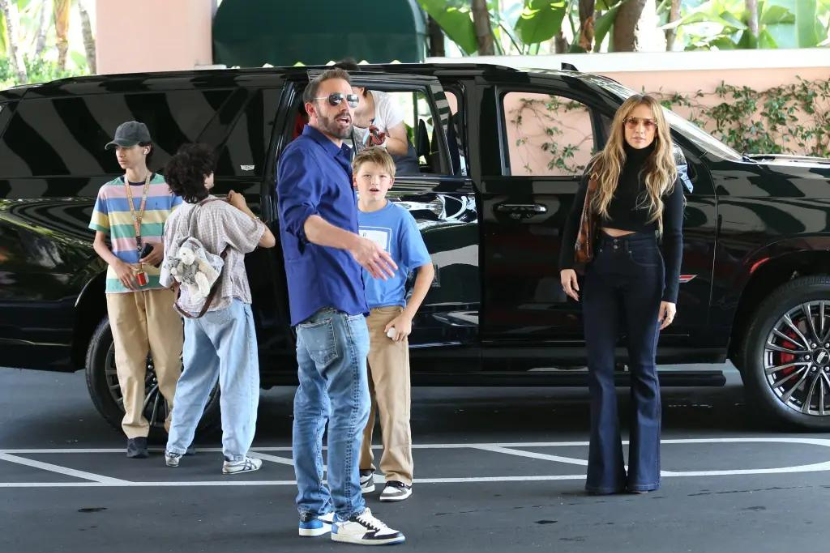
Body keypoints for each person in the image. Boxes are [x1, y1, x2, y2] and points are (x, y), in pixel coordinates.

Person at [277, 68, 406, 546]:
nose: (344, 107)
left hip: (324, 301)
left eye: (350, 99)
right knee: (351, 406)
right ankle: (350, 513)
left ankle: (314, 512)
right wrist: (356, 243)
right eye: (333, 100)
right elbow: (299, 219)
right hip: (330, 301)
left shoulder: (335, 154)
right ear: (311, 108)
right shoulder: (304, 154)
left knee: (313, 407)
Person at [559, 94, 684, 495]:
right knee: (599, 371)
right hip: (600, 267)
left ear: (657, 129)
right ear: (621, 125)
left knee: (643, 369)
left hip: (645, 266)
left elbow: (675, 237)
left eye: (647, 123)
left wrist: (670, 294)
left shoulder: (666, 173)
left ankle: (643, 475)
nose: (639, 129)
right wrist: (566, 264)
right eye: (632, 122)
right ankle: (604, 477)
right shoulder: (601, 165)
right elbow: (576, 216)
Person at [159, 144, 276, 474]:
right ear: (205, 178)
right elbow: (266, 240)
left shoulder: (175, 217)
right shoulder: (222, 211)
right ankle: (235, 457)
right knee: (238, 379)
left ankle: (175, 447)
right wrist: (244, 208)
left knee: (194, 376)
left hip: (194, 309)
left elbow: (168, 275)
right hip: (228, 302)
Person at [89, 121, 183, 459]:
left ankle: (176, 428)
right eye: (117, 148)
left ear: (146, 148)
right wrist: (117, 264)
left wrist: (163, 248)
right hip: (121, 285)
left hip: (162, 282)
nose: (121, 153)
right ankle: (135, 431)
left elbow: (182, 232)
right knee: (128, 359)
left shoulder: (168, 188)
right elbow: (98, 242)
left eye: (127, 147)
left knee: (169, 359)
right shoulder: (108, 192)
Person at [353, 147, 434, 502]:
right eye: (367, 175)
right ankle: (359, 469)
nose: (374, 181)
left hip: (385, 316)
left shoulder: (399, 218)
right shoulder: (342, 215)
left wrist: (406, 316)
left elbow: (425, 270)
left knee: (392, 401)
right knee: (354, 401)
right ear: (354, 180)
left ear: (391, 182)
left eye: (382, 176)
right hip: (348, 316)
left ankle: (399, 474)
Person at [334, 59, 420, 175]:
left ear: (361, 88)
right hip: (366, 170)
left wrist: (382, 141)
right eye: (338, 95)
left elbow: (402, 148)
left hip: (398, 170)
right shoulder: (336, 108)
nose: (344, 100)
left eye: (348, 93)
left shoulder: (387, 104)